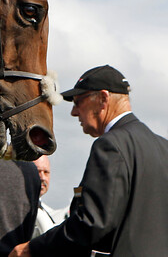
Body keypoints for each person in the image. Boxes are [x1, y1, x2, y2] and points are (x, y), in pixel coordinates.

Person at [11, 65, 168, 256]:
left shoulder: (111, 144)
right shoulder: (163, 147)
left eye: (78, 101)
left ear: (103, 98)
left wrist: (31, 248)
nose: (74, 112)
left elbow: (92, 223)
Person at [31, 155, 67, 237]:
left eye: (46, 172)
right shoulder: (18, 209)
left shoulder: (46, 213)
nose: (43, 177)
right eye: (38, 171)